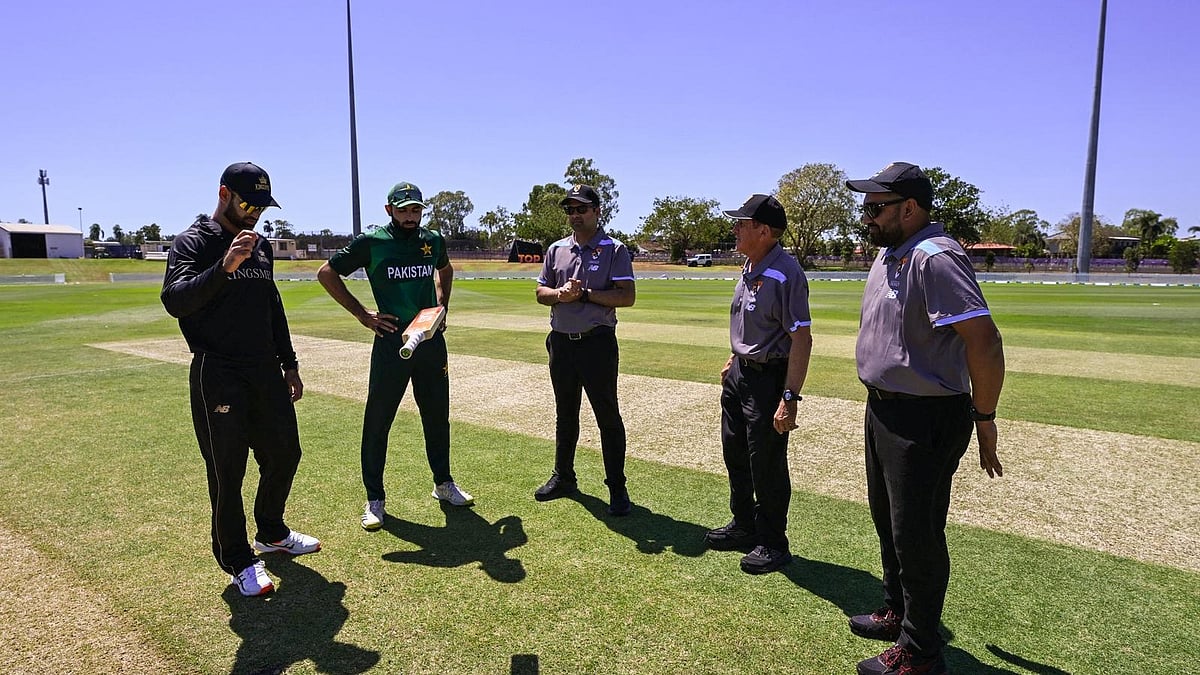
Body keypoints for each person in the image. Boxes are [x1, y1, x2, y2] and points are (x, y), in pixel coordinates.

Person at [846, 162, 1006, 675]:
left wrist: (984, 416)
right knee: (889, 523)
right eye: (865, 207)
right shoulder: (891, 255)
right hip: (885, 409)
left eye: (876, 207)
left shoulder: (935, 258)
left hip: (926, 417)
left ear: (909, 208)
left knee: (916, 534)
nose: (866, 216)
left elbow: (984, 341)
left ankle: (920, 653)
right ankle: (898, 611)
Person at [161, 162, 320, 598]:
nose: (254, 213)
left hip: (264, 368)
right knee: (227, 472)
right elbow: (175, 301)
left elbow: (271, 306)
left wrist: (289, 362)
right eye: (248, 203)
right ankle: (238, 560)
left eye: (262, 206)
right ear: (224, 193)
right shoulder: (193, 242)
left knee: (286, 452)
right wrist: (225, 266)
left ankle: (270, 532)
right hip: (218, 370)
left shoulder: (262, 246)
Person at [317, 181, 473, 532]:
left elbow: (444, 269)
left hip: (431, 342)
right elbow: (327, 273)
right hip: (391, 342)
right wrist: (363, 315)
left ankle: (443, 484)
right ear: (389, 210)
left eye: (415, 209)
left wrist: (442, 305)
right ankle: (375, 498)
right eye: (403, 210)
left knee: (437, 416)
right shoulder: (372, 243)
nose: (410, 216)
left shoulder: (432, 240)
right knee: (379, 419)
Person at [703, 194, 813, 575]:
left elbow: (801, 338)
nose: (735, 229)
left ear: (764, 231)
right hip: (740, 375)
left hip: (769, 380)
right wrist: (735, 357)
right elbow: (752, 323)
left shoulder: (785, 273)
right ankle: (744, 525)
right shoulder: (750, 266)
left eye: (742, 223)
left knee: (765, 462)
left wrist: (790, 396)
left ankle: (773, 541)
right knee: (735, 453)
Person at [532, 184, 636, 516]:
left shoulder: (614, 249)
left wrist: (586, 295)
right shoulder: (556, 249)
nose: (575, 215)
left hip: (597, 342)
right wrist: (559, 294)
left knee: (607, 416)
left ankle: (617, 488)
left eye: (582, 209)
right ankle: (564, 477)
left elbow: (626, 296)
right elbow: (539, 292)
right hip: (561, 342)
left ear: (596, 211)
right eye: (571, 210)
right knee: (565, 413)